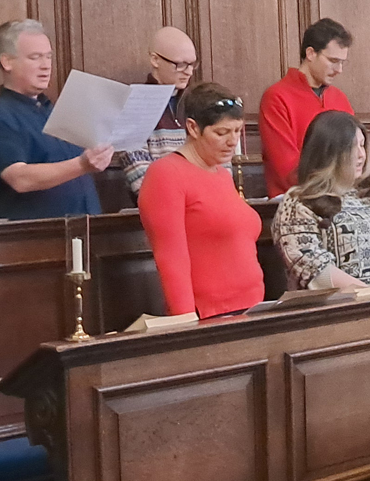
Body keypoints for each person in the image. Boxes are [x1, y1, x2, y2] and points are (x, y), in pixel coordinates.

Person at [137, 83, 265, 319]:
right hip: (210, 314)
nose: (232, 141)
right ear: (193, 128)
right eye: (221, 132)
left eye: (237, 131)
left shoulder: (223, 175)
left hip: (251, 306)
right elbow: (170, 258)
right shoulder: (166, 174)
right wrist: (185, 322)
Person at [0, 19, 109, 219]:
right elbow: (20, 179)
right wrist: (82, 165)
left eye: (48, 57)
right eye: (35, 57)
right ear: (7, 61)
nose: (46, 66)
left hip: (85, 230)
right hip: (34, 240)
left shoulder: (55, 111)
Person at [274, 111, 370, 290]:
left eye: (363, 145)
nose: (361, 155)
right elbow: (310, 264)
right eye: (352, 147)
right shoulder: (300, 202)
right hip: (344, 311)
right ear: (329, 152)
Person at [261, 18, 356, 197]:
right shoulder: (277, 97)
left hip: (341, 197)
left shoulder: (340, 98)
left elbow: (356, 153)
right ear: (311, 53)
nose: (339, 69)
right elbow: (286, 168)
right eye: (333, 60)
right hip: (298, 200)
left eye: (343, 62)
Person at [123, 26, 207, 197]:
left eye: (192, 64)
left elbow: (216, 161)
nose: (189, 72)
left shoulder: (199, 104)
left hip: (202, 203)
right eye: (181, 64)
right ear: (155, 60)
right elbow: (139, 174)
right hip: (162, 205)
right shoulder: (135, 104)